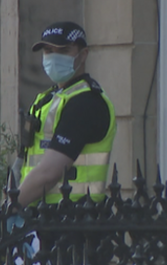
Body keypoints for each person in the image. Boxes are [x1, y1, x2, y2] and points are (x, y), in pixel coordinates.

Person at [15, 21, 116, 208]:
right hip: (42, 215)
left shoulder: (86, 103)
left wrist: (11, 206)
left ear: (83, 54)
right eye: (48, 51)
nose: (53, 58)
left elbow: (49, 173)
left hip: (75, 218)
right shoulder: (48, 99)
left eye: (63, 51)